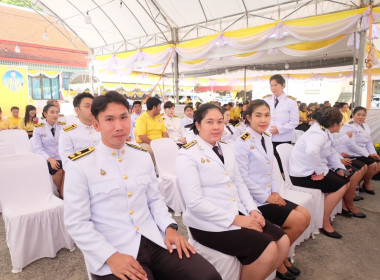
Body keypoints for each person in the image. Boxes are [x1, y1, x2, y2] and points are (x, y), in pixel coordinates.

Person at [64, 91, 221, 280]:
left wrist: (169, 228)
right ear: (96, 125)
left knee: (207, 276)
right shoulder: (80, 165)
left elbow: (155, 200)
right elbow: (77, 222)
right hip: (115, 248)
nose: (119, 126)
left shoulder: (141, 156)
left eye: (123, 117)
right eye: (109, 119)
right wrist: (110, 256)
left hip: (154, 239)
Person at [177, 103, 290, 280]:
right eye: (210, 122)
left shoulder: (226, 148)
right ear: (198, 125)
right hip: (208, 223)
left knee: (283, 242)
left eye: (220, 122)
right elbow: (195, 203)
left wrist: (253, 210)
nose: (216, 127)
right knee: (269, 249)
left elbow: (239, 184)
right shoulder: (187, 155)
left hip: (236, 210)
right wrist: (237, 220)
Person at [234, 100, 310, 280]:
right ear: (248, 118)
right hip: (255, 199)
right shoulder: (242, 142)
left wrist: (275, 192)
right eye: (258, 115)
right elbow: (242, 180)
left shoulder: (267, 136)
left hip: (270, 193)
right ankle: (280, 262)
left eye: (266, 115)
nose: (263, 120)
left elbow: (271, 171)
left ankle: (281, 257)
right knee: (298, 221)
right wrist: (267, 197)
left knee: (306, 215)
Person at [289, 108, 349, 239]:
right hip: (303, 174)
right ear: (334, 125)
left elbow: (331, 152)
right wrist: (321, 173)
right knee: (341, 185)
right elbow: (311, 152)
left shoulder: (322, 130)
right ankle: (324, 222)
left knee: (344, 180)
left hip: (312, 170)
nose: (341, 125)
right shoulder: (318, 134)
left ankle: (326, 216)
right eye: (340, 123)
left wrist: (339, 168)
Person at [339, 106, 380, 195]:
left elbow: (368, 141)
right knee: (372, 164)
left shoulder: (365, 125)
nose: (361, 117)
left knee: (378, 163)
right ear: (353, 115)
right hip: (352, 153)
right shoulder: (349, 126)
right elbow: (351, 145)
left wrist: (373, 153)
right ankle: (366, 184)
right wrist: (368, 154)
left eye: (363, 115)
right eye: (358, 115)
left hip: (362, 152)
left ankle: (362, 183)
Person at [263, 74, 298, 174]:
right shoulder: (266, 101)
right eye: (271, 85)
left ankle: (283, 183)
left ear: (283, 85)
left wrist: (280, 129)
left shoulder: (291, 102)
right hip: (267, 137)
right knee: (269, 162)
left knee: (281, 164)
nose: (273, 88)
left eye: (276, 85)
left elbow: (294, 122)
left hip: (283, 138)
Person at [59, 92, 100, 171]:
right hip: (82, 175)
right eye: (87, 106)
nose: (92, 109)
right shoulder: (67, 133)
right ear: (77, 110)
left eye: (93, 106)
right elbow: (67, 163)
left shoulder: (103, 128)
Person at [32, 104, 65, 196]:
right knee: (59, 172)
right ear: (45, 114)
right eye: (52, 112)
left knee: (68, 171)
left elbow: (66, 145)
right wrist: (50, 159)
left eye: (57, 112)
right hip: (47, 158)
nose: (55, 115)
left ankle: (62, 194)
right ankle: (61, 192)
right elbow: (38, 149)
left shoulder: (62, 127)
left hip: (61, 156)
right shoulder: (38, 128)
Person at [135, 97, 169, 165]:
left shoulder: (159, 118)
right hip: (146, 143)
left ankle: (167, 170)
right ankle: (154, 171)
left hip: (160, 142)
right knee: (150, 151)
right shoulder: (141, 119)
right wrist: (155, 144)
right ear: (154, 107)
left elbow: (164, 133)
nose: (160, 108)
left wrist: (166, 143)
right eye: (159, 106)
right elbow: (142, 136)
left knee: (172, 148)